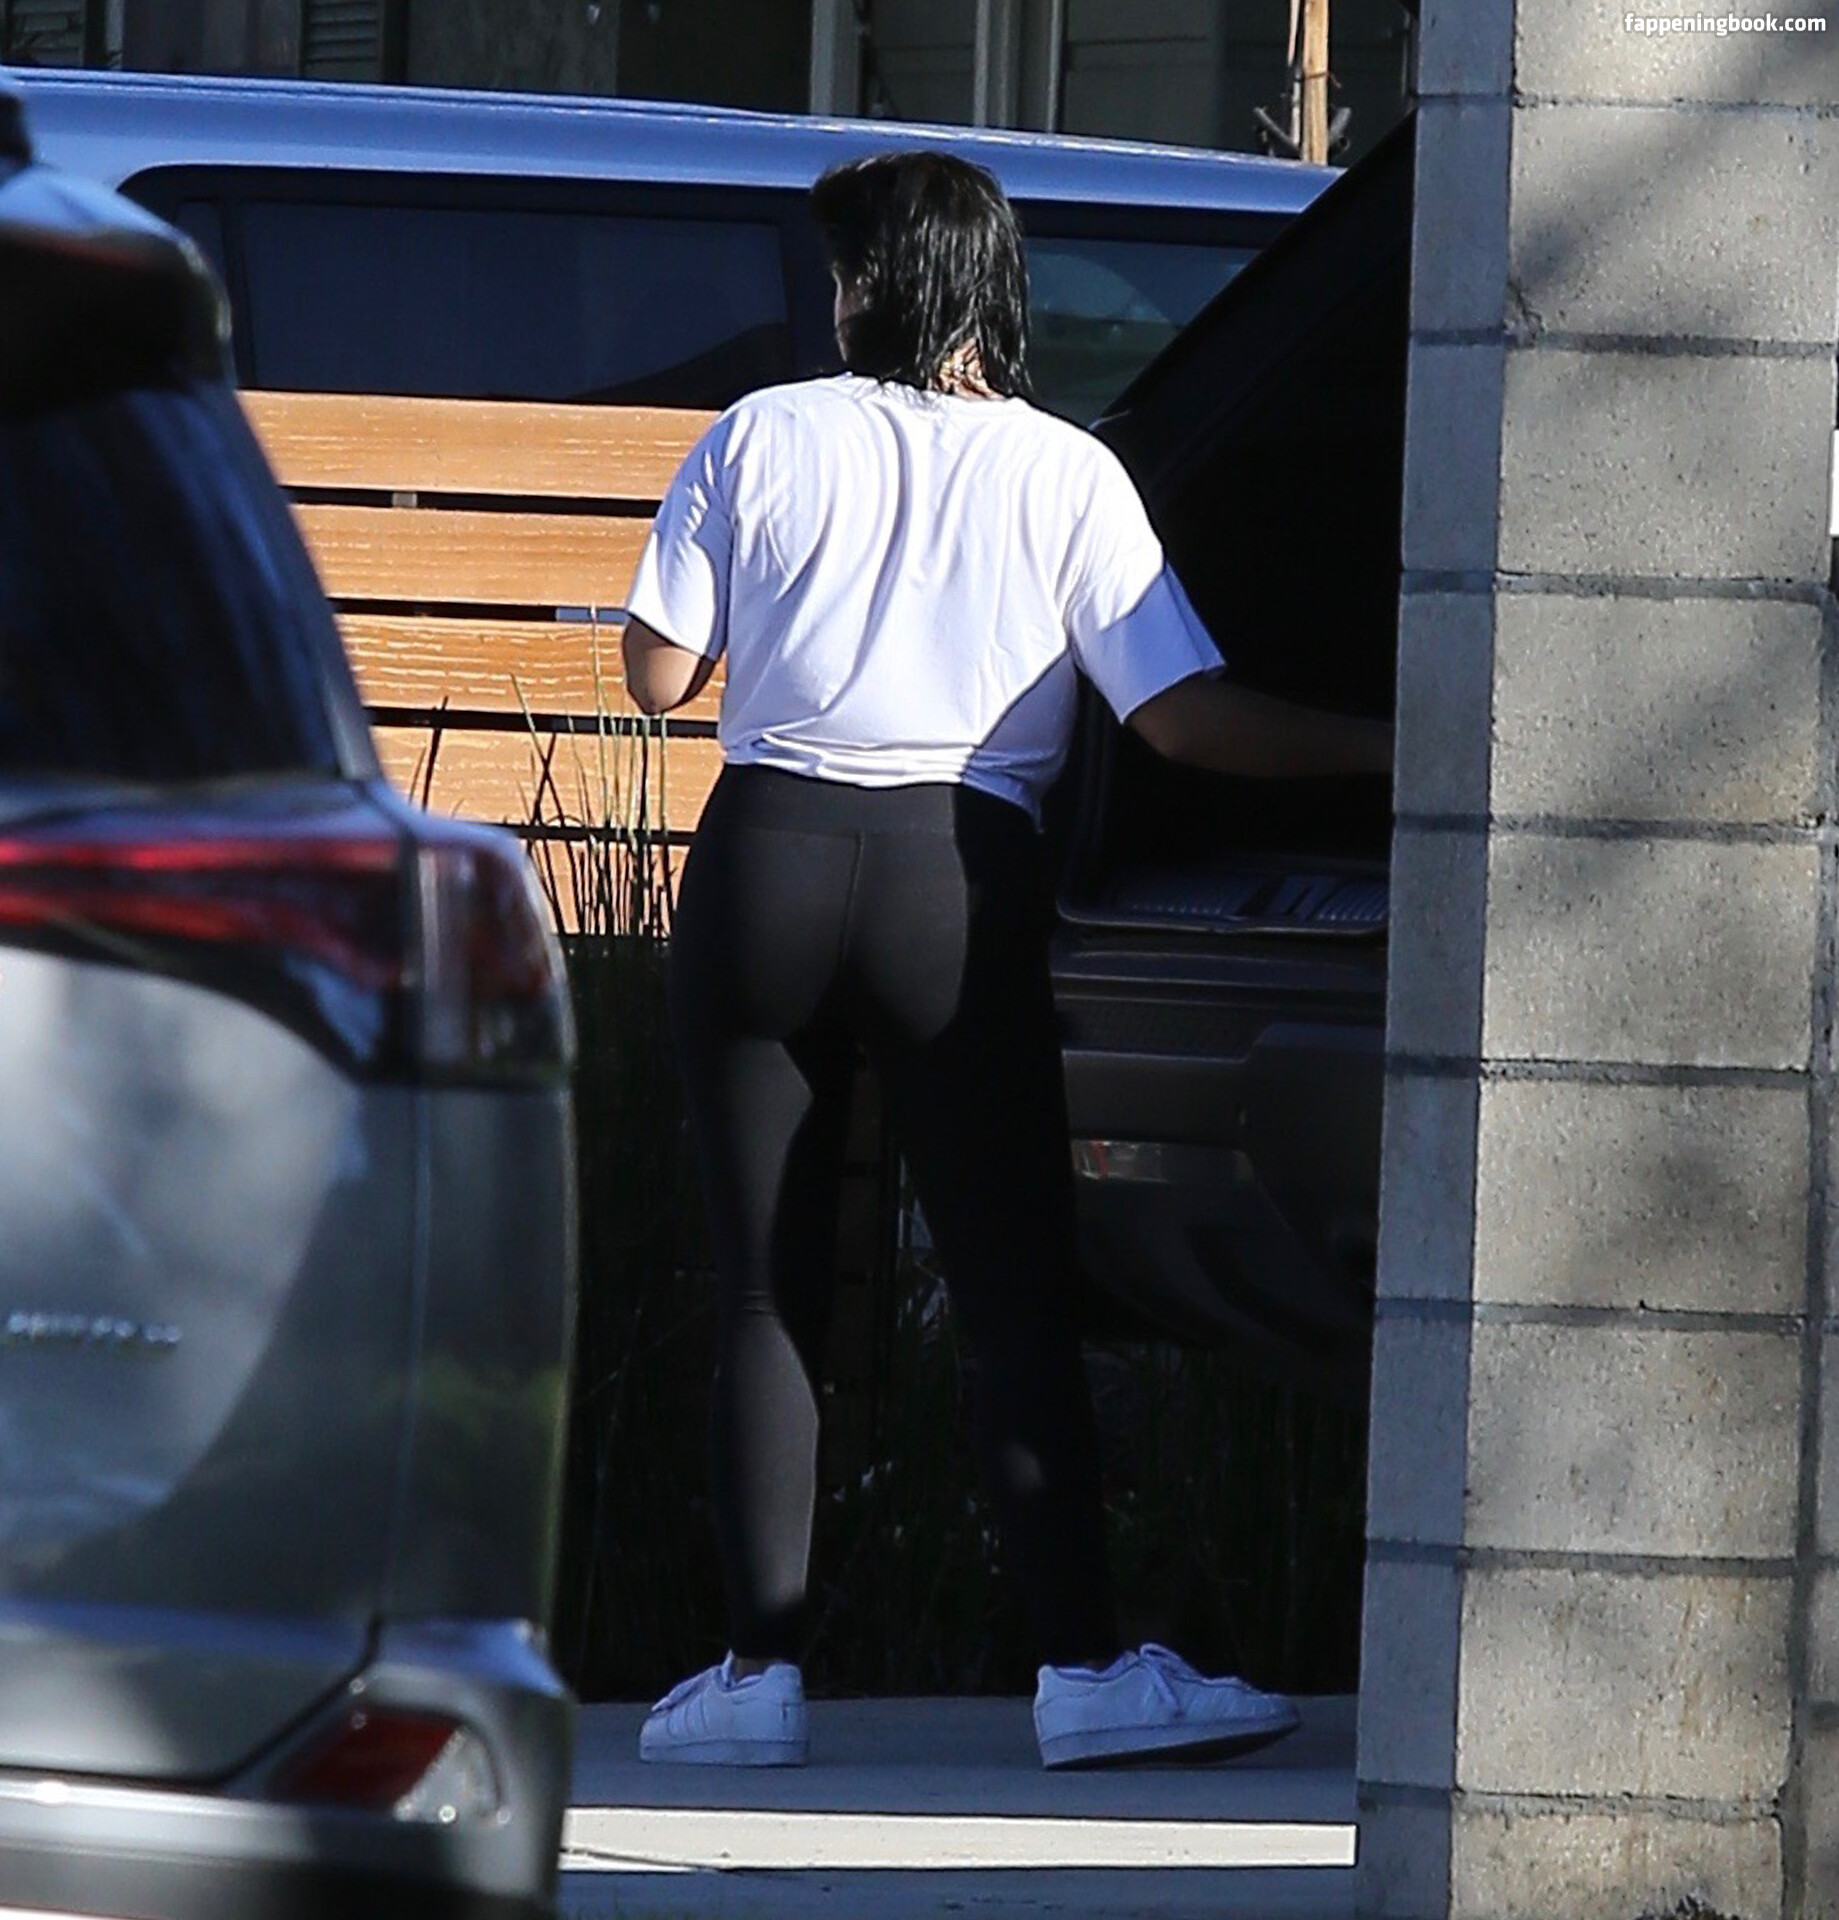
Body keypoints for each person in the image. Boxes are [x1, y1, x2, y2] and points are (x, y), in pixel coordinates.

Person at [621, 149, 1390, 1771]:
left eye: (847, 272)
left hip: (763, 857)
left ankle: (753, 1682)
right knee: (1009, 1287)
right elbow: (1180, 718)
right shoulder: (1067, 472)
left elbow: (659, 676)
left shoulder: (757, 432)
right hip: (953, 879)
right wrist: (1392, 749)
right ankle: (1085, 1674)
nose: (837, 296)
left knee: (762, 1286)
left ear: (881, 285)